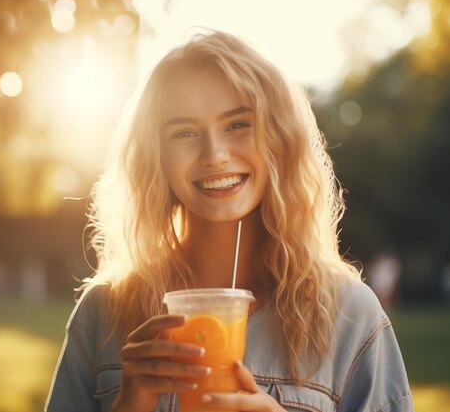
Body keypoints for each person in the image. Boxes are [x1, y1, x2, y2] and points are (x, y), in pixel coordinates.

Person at [45, 31, 413, 412]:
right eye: (184, 132)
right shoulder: (102, 313)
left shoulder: (350, 317)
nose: (215, 154)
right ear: (156, 156)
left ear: (281, 138)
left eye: (238, 124)